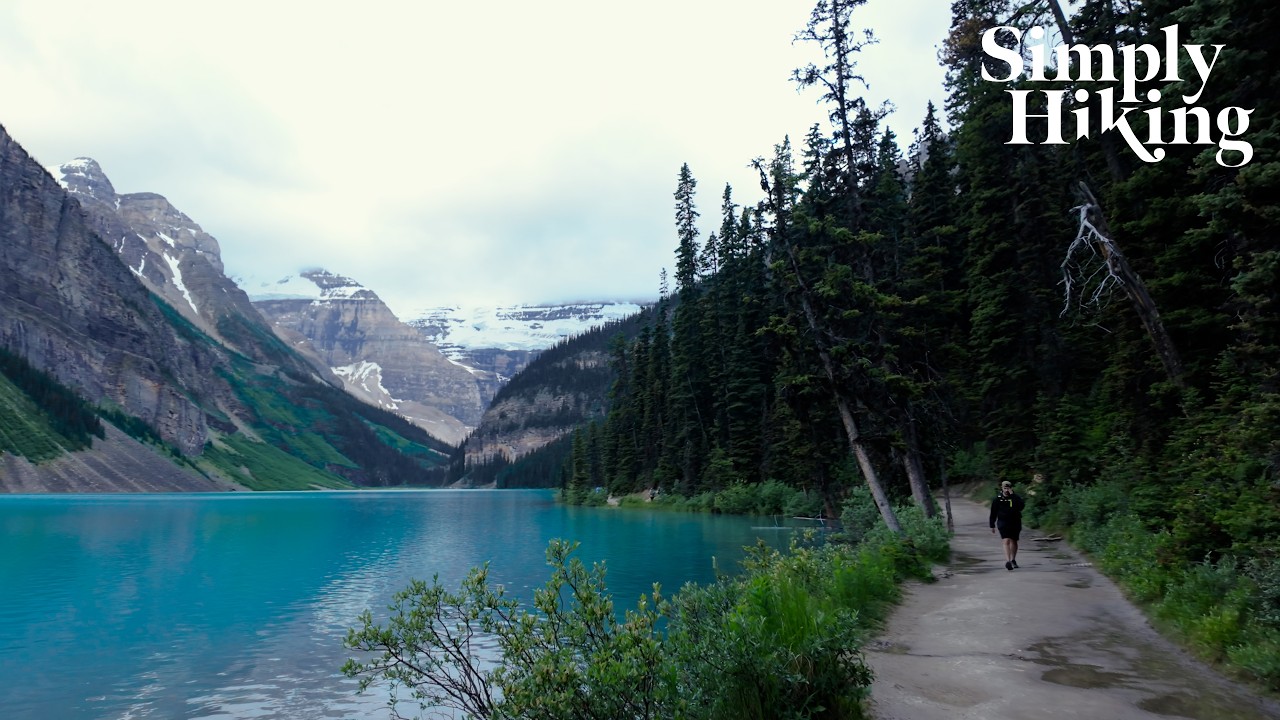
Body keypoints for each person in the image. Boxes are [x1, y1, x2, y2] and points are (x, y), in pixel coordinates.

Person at [989, 480, 1025, 571]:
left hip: (1015, 522)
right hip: (1003, 522)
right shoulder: (997, 499)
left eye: (1008, 488)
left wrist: (1012, 496)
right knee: (1006, 540)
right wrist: (992, 524)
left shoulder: (1015, 497)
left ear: (1011, 488)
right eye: (1005, 488)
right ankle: (1008, 561)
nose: (1006, 490)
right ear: (1002, 488)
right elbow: (993, 512)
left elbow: (1021, 507)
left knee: (1014, 541)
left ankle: (1013, 559)